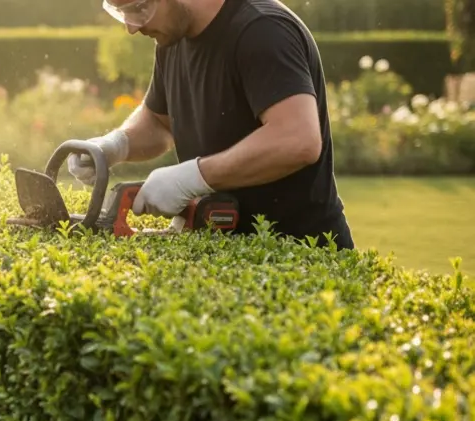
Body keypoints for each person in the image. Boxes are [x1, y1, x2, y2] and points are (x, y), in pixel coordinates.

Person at [70, 0, 354, 249]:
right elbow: (159, 122)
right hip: (227, 244)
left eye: (138, 8)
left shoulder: (262, 30)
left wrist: (192, 177)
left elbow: (297, 140)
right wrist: (114, 145)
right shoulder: (173, 39)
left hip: (300, 251)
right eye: (121, 12)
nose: (131, 27)